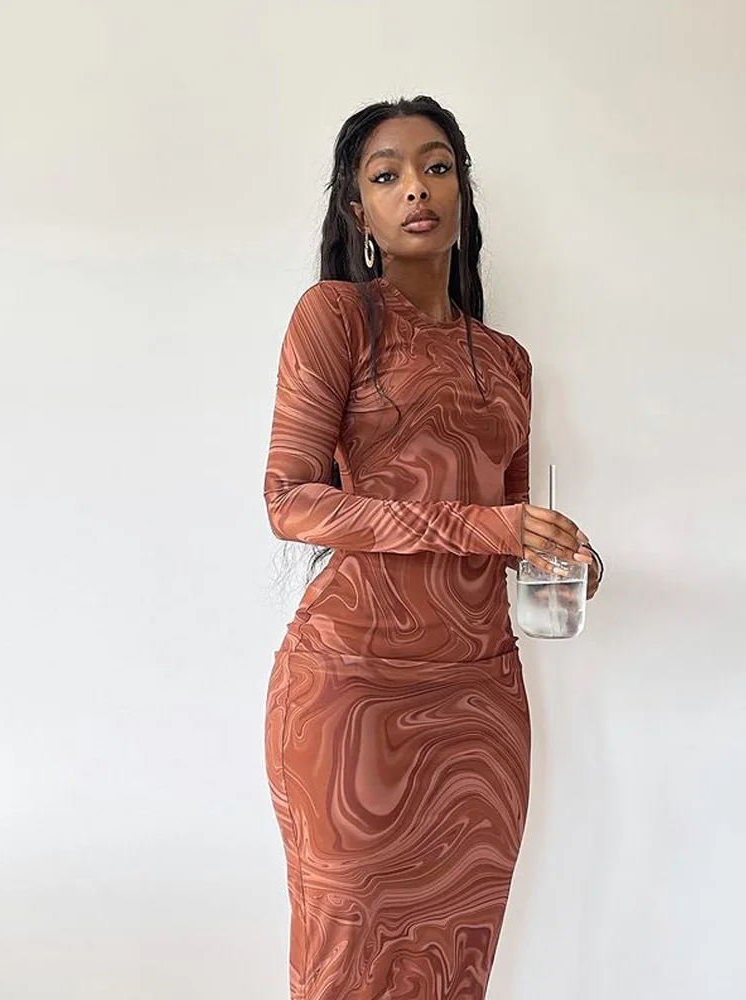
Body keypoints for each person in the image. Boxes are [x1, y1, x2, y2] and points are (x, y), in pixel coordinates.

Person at [263, 94, 603, 1000]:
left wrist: (561, 558)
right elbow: (290, 502)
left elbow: (510, 524)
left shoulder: (509, 361)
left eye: (437, 166)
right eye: (387, 175)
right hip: (353, 692)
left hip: (481, 702)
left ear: (463, 190)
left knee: (457, 968)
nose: (416, 187)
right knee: (346, 967)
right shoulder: (336, 317)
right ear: (358, 211)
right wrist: (484, 527)